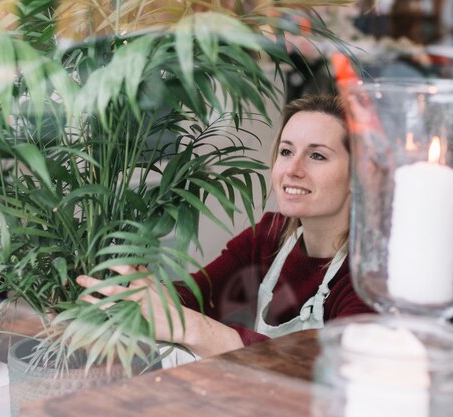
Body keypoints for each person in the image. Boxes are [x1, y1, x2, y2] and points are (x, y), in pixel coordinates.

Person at [76, 94, 373, 359]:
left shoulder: (371, 278)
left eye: (317, 155)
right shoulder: (268, 237)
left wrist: (188, 326)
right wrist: (135, 291)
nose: (292, 170)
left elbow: (317, 375)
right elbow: (201, 293)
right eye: (286, 152)